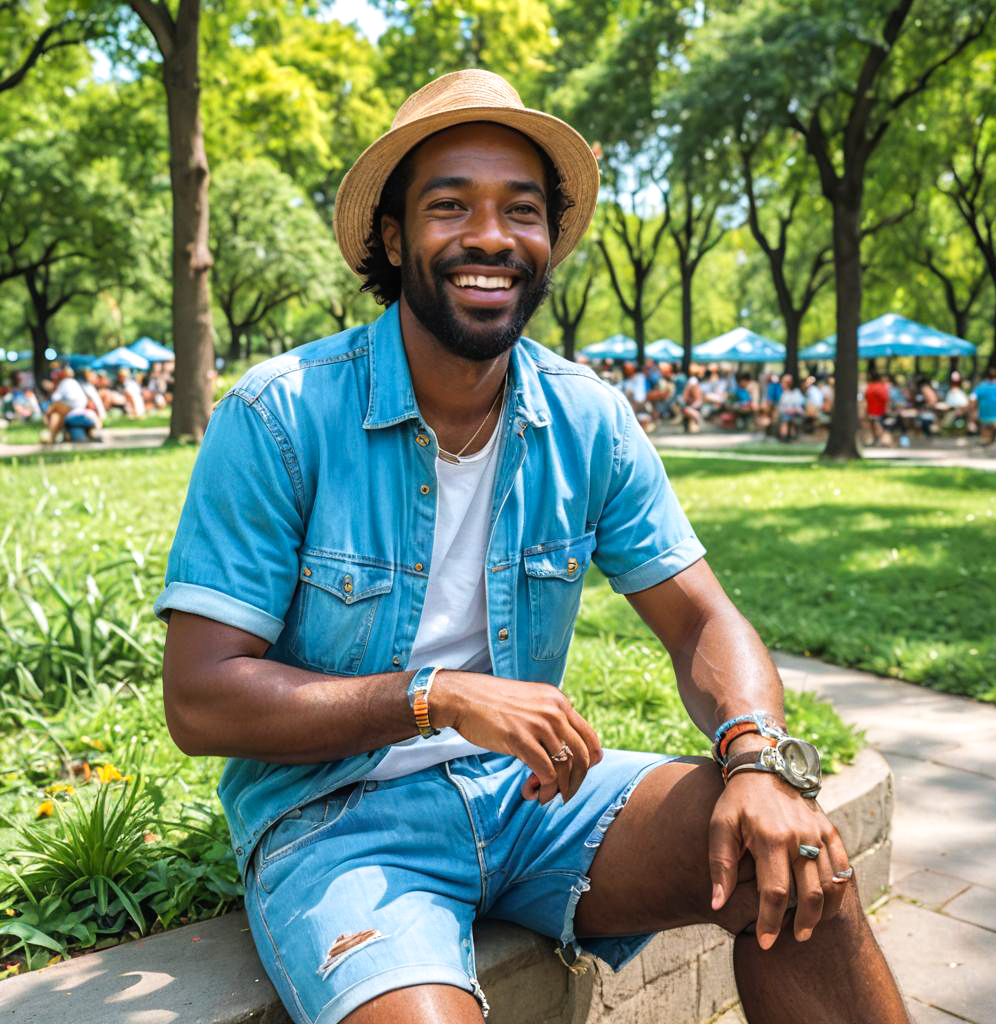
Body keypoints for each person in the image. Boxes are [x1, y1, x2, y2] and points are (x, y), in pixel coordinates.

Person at [156, 70, 909, 1024]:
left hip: (533, 800)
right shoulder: (281, 416)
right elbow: (199, 698)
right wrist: (439, 698)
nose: (490, 236)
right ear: (392, 236)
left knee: (796, 865)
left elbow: (704, 619)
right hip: (338, 822)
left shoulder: (585, 418)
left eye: (521, 209)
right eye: (449, 205)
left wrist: (757, 756)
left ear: (549, 239)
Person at [863, 370, 890, 446]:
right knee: (876, 426)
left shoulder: (870, 387)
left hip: (872, 410)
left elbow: (866, 398)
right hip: (878, 411)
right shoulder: (881, 387)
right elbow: (886, 399)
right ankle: (879, 440)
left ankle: (883, 441)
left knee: (875, 426)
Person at [776, 373, 805, 441]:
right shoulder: (782, 393)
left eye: (785, 382)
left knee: (787, 418)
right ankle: (785, 437)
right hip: (785, 413)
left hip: (796, 413)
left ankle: (788, 436)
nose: (782, 384)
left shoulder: (796, 392)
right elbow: (780, 407)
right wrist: (786, 410)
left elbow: (800, 406)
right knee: (785, 418)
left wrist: (793, 410)